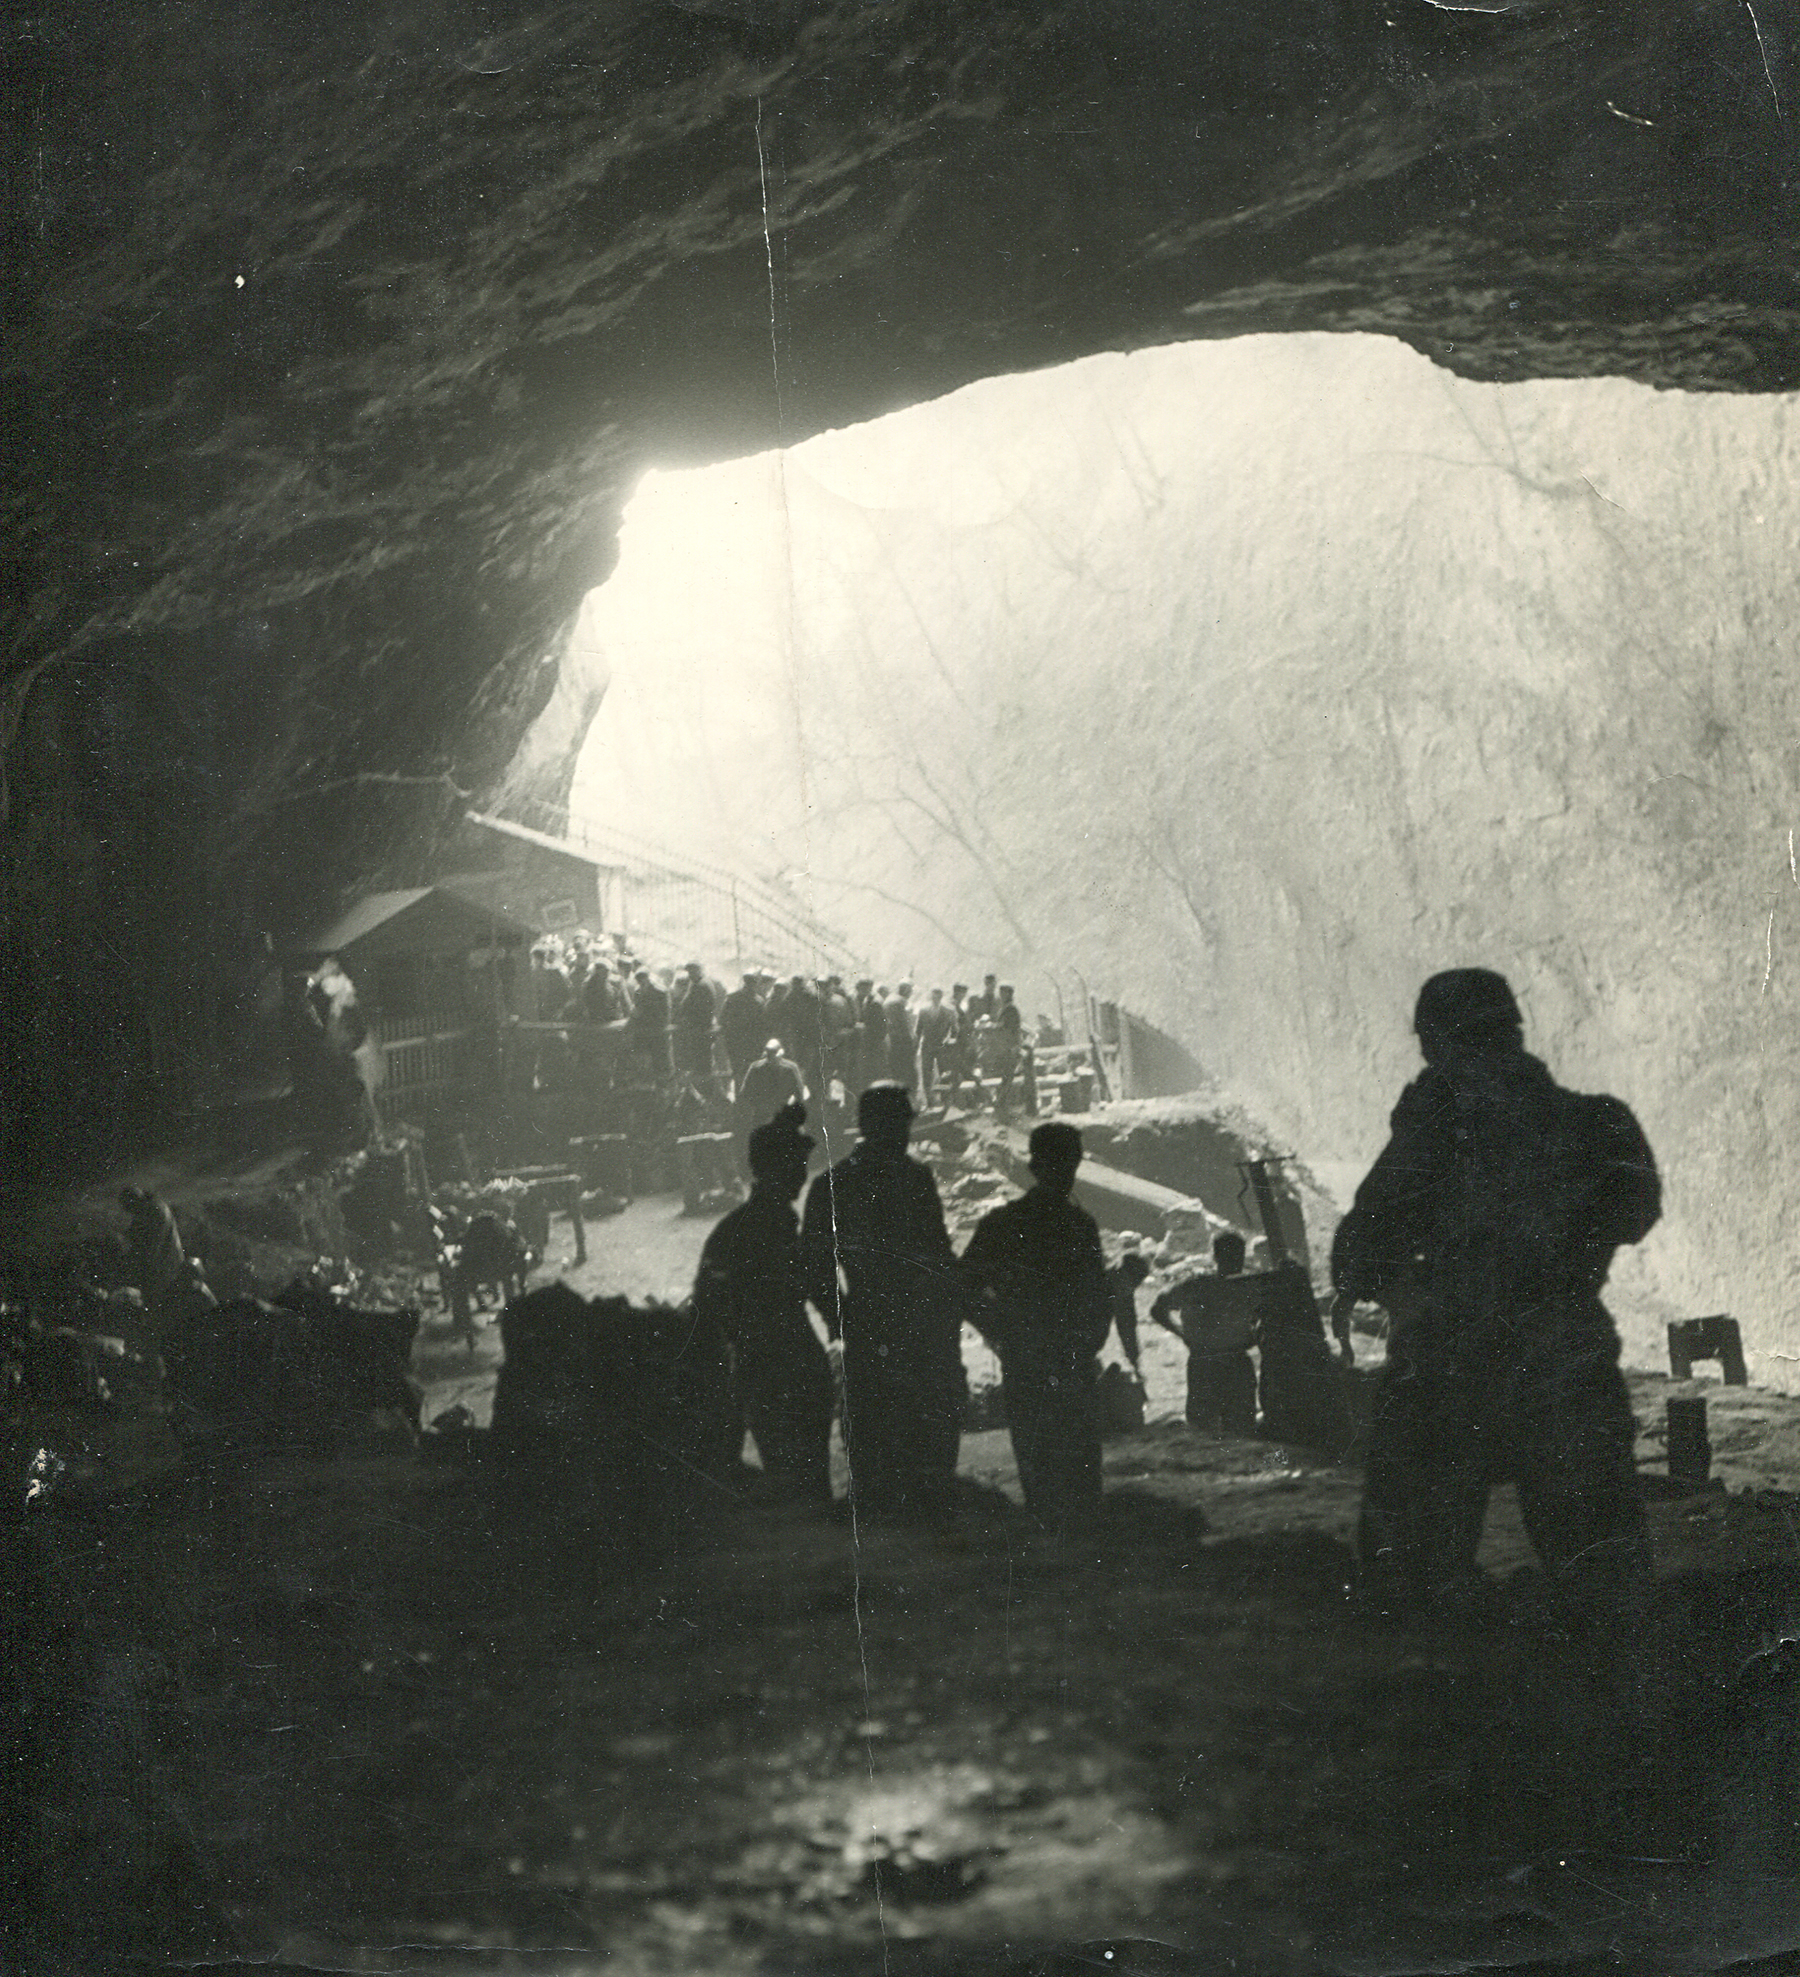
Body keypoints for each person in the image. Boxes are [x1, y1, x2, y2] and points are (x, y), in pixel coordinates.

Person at [1330, 967, 1661, 1609]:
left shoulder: (1430, 1144)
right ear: (1514, 1031)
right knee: (1607, 1598)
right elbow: (1633, 1208)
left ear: (1433, 1047)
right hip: (1558, 1364)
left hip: (1447, 1374)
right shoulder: (1596, 1125)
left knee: (1408, 1601)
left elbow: (1356, 1256)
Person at [800, 1083, 964, 1515]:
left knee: (879, 1412)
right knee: (923, 1410)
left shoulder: (834, 1183)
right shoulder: (912, 1177)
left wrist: (840, 1318)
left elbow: (815, 1268)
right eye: (900, 1123)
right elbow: (939, 1252)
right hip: (911, 1314)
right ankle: (920, 1502)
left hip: (871, 1315)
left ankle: (887, 1503)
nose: (904, 1133)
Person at [961, 1122, 1112, 1530]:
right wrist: (1090, 1339)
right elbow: (1099, 1293)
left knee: (1039, 1460)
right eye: (1066, 1160)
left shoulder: (1004, 1223)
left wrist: (1000, 1331)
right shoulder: (1079, 1225)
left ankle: (1050, 1542)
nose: (1069, 1169)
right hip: (1068, 1355)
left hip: (1029, 1356)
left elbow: (963, 1285)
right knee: (1078, 1463)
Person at [693, 1104, 833, 1503]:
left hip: (766, 1368)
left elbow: (708, 1312)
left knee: (795, 1485)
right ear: (772, 1168)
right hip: (784, 1368)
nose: (801, 1174)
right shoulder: (771, 1229)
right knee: (805, 1489)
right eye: (794, 1165)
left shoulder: (734, 1230)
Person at [1149, 1232, 1260, 1435]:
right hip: (1207, 1361)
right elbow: (1158, 1308)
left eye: (1237, 1256)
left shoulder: (1248, 1286)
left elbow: (1158, 1308)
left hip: (1231, 1360)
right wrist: (1182, 1333)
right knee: (1206, 1429)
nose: (1235, 1261)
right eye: (1230, 1255)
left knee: (1240, 1428)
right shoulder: (1197, 1285)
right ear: (1217, 1256)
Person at [735, 1036, 806, 1175]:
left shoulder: (790, 1068)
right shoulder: (755, 1068)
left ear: (780, 1053)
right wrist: (759, 1105)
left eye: (774, 1053)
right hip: (762, 1115)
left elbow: (799, 1093)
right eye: (769, 1053)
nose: (771, 1057)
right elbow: (745, 1093)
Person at [719, 970, 767, 1091]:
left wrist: (728, 1036)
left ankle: (740, 1100)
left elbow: (722, 1020)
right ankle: (748, 1100)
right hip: (752, 1044)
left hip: (736, 1042)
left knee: (738, 1071)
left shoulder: (732, 998)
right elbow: (764, 1026)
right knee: (751, 1071)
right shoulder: (759, 1001)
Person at [672, 961, 718, 1083]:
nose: (690, 975)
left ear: (698, 971)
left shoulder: (701, 985)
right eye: (689, 972)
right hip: (700, 1026)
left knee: (701, 1062)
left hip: (700, 1027)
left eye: (692, 972)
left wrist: (682, 1017)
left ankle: (703, 1086)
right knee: (701, 1061)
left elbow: (690, 1005)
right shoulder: (698, 983)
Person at [628, 967, 672, 1081]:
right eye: (639, 980)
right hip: (642, 1031)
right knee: (643, 1061)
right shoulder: (637, 991)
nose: (641, 982)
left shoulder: (660, 991)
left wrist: (646, 1015)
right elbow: (636, 1008)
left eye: (643, 979)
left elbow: (665, 1014)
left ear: (648, 978)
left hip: (657, 1031)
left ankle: (663, 1085)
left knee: (660, 1061)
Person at [916, 987, 955, 1101]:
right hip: (927, 1045)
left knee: (945, 1072)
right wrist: (916, 1045)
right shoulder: (923, 1010)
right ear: (931, 996)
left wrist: (949, 1040)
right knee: (927, 1073)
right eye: (934, 995)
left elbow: (955, 1030)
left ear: (942, 996)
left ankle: (945, 1098)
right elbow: (918, 1030)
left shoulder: (949, 1010)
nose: (936, 998)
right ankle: (929, 1099)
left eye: (938, 995)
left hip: (942, 1046)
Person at [992, 984, 1024, 1114]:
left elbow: (1008, 1028)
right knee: (1006, 1076)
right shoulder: (1007, 1008)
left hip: (1010, 1047)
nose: (1000, 995)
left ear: (1008, 994)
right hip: (1007, 1046)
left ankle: (1002, 1103)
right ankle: (1002, 1102)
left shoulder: (1010, 1009)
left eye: (1003, 993)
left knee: (1008, 1076)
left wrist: (993, 1026)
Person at [885, 982, 918, 1095]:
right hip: (903, 1039)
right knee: (908, 1069)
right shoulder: (901, 1002)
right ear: (905, 990)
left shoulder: (889, 999)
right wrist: (913, 1038)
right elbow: (906, 1023)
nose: (911, 993)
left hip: (891, 1038)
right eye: (910, 990)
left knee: (895, 1069)